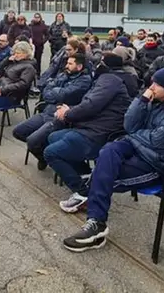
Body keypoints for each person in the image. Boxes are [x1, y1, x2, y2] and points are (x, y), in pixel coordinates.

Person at [62, 67, 164, 252]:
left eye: (157, 84)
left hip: (156, 162)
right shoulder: (152, 100)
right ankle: (96, 219)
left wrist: (134, 134)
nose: (151, 87)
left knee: (104, 174)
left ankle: (92, 210)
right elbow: (129, 124)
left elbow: (156, 140)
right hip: (137, 147)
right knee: (108, 150)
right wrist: (141, 100)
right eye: (152, 82)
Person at [47, 52, 135, 213]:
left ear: (106, 65)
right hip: (93, 126)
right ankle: (86, 176)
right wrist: (70, 110)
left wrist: (67, 113)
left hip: (99, 133)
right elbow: (89, 104)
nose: (97, 65)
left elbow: (91, 104)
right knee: (53, 137)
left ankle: (84, 193)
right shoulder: (109, 79)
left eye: (101, 62)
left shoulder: (110, 80)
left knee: (51, 153)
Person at [16, 52, 93, 169]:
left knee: (32, 141)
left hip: (60, 118)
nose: (67, 65)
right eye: (67, 63)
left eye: (70, 63)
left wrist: (53, 90)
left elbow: (62, 95)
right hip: (47, 111)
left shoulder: (84, 81)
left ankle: (48, 154)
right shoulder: (65, 74)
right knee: (18, 131)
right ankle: (44, 155)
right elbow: (46, 88)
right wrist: (53, 91)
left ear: (79, 67)